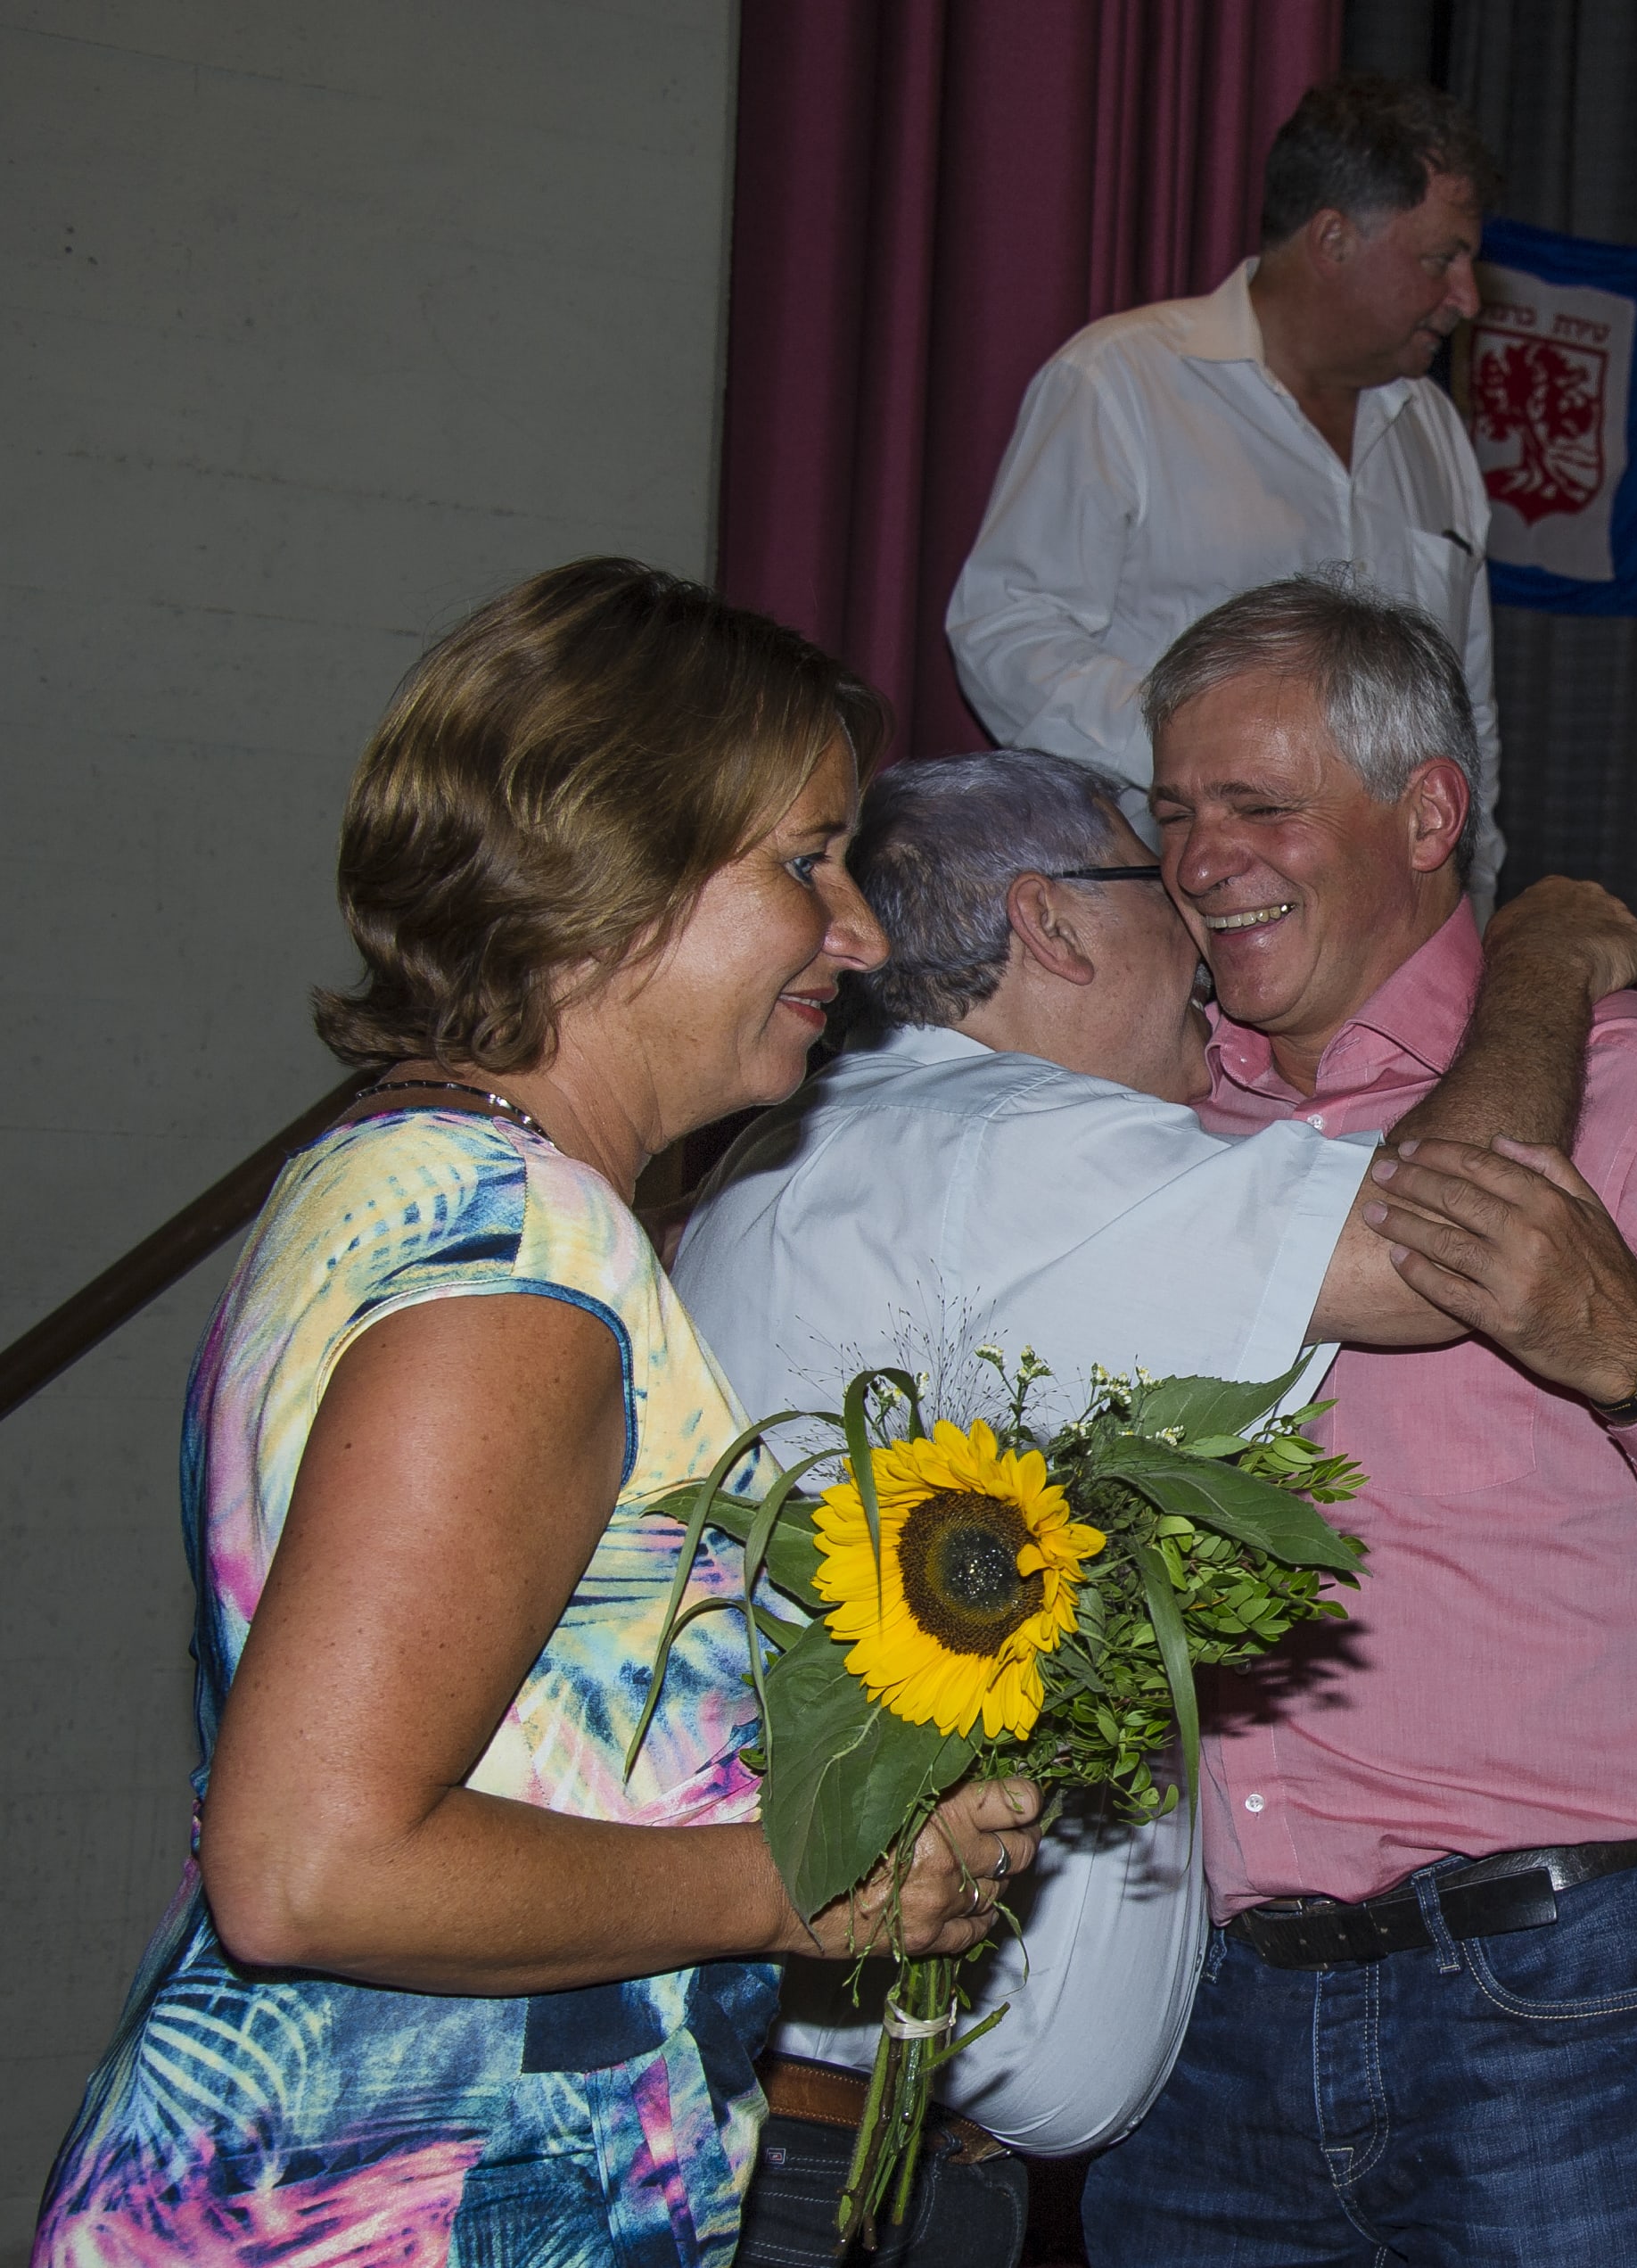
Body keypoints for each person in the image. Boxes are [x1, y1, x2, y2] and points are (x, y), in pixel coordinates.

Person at [29, 560, 1041, 2268]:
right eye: (803, 861)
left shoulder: (406, 1175)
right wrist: (799, 1881)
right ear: (609, 873)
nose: (858, 932)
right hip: (389, 2210)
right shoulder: (518, 1271)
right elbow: (309, 1861)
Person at [671, 749, 1637, 2223]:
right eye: (1158, 875)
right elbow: (1450, 1245)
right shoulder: (1008, 1144)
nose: (1202, 914)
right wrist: (1535, 961)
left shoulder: (793, 1150)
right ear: (1050, 922)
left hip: (779, 2108)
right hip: (849, 2160)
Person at [1078, 572, 1637, 2267]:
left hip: (1554, 2003)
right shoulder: (1142, 1124)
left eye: (1257, 803)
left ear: (1427, 814)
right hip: (1193, 2022)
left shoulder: (1636, 1083)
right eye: (1173, 813)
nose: (1201, 858)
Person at [947, 73, 1509, 905]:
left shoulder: (1433, 432)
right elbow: (1006, 632)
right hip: (1167, 911)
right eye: (1440, 259)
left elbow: (1466, 708)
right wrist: (1220, 773)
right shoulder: (1121, 382)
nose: (1466, 297)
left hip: (1386, 928)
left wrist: (1474, 894)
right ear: (1332, 239)